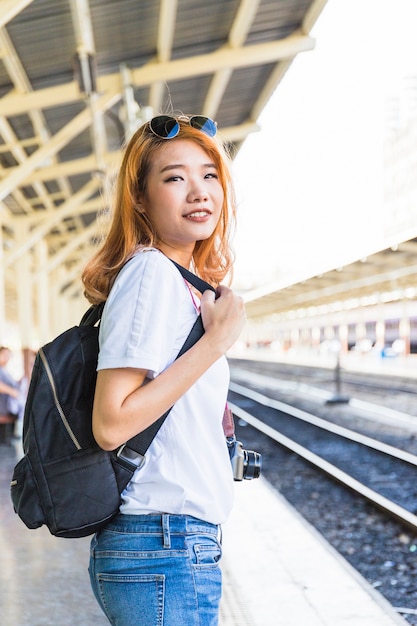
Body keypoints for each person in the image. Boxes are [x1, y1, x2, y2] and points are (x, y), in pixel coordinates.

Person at [81, 114, 246, 626]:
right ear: (140, 198)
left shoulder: (183, 281)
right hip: (162, 546)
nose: (199, 191)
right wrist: (213, 345)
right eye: (175, 178)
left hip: (171, 546)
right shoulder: (150, 271)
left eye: (209, 175)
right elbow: (111, 424)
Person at [0, 346, 20, 444]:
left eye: (8, 355)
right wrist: (12, 391)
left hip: (8, 408)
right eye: (4, 355)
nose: (7, 357)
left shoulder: (5, 370)